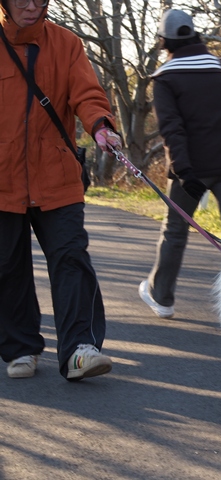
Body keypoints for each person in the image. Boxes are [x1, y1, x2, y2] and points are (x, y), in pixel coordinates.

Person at [0, 0, 121, 380]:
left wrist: (100, 125)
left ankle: (79, 349)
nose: (32, 6)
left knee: (71, 257)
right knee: (7, 266)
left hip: (56, 175)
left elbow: (86, 93)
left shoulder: (67, 44)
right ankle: (21, 348)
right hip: (3, 179)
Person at [139, 9, 221, 319]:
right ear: (195, 35)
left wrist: (183, 170)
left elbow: (172, 128)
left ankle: (163, 298)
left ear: (165, 41)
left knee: (175, 232)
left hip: (190, 172)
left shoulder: (166, 78)